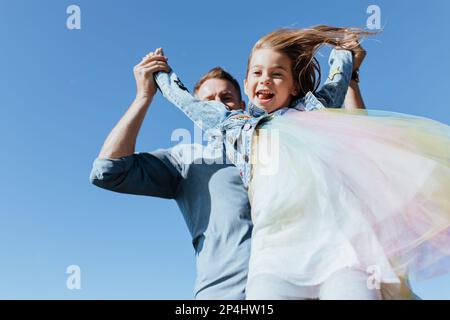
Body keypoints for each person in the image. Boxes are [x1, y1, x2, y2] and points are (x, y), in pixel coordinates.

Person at [153, 25, 450, 299]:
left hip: (341, 251)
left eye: (277, 73)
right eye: (256, 73)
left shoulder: (315, 112)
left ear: (294, 86)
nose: (265, 79)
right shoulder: (235, 128)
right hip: (274, 258)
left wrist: (342, 50)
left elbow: (338, 78)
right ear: (246, 84)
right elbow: (188, 103)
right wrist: (161, 74)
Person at [90, 41, 362, 299]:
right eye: (208, 100)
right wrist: (144, 96)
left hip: (308, 286)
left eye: (226, 97)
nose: (218, 103)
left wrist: (350, 75)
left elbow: (360, 148)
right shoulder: (186, 158)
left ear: (242, 104)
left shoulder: (292, 137)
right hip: (224, 296)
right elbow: (108, 171)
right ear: (197, 111)